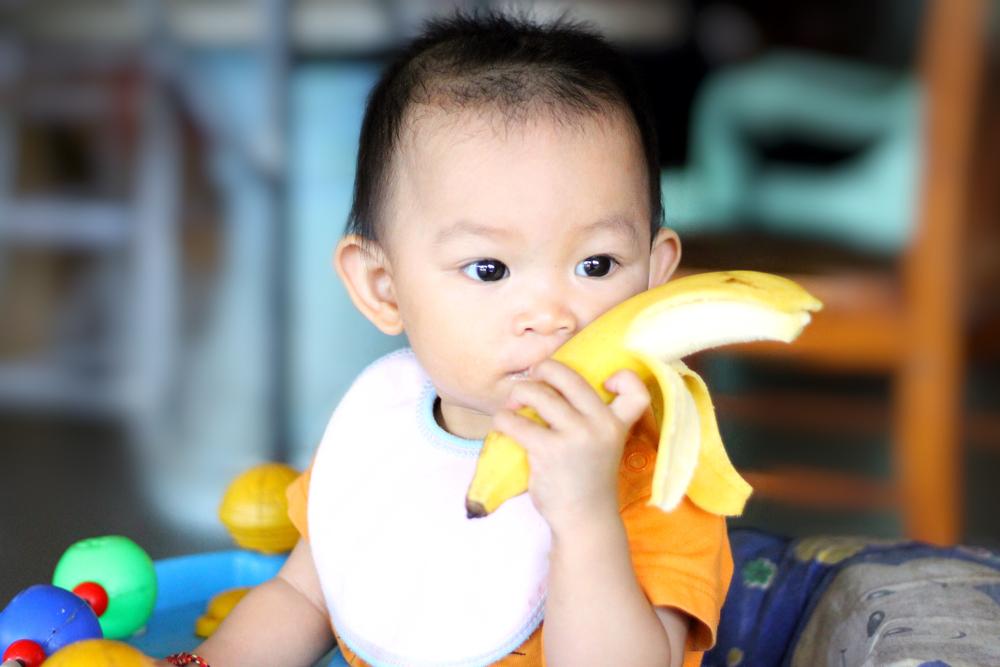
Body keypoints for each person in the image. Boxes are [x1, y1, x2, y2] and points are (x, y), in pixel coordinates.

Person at [161, 11, 732, 667]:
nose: (550, 314)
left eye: (596, 265)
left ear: (657, 278)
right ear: (383, 287)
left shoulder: (659, 472)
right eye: (489, 269)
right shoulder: (381, 430)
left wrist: (584, 517)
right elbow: (303, 597)